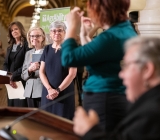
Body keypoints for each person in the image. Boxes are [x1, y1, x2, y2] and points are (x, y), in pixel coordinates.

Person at [61, 0, 137, 132]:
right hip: (114, 95)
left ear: (99, 11)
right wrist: (84, 35)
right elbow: (96, 56)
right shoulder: (125, 29)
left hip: (105, 99)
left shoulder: (110, 37)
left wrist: (71, 26)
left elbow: (68, 58)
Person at [73, 36, 160, 140]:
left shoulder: (152, 113)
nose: (121, 74)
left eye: (126, 66)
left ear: (147, 69)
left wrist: (89, 131)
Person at [39, 21, 77, 120]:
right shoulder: (46, 49)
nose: (57, 33)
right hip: (48, 92)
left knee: (63, 120)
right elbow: (41, 72)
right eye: (54, 31)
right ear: (50, 34)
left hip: (64, 92)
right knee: (47, 120)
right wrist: (49, 89)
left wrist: (58, 90)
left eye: (60, 30)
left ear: (65, 33)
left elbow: (72, 74)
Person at [3, 21, 30, 107]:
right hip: (10, 80)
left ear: (21, 30)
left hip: (22, 79)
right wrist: (7, 76)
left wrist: (13, 76)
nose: (14, 31)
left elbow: (27, 64)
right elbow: (5, 63)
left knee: (21, 105)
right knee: (11, 104)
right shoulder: (10, 47)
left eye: (16, 29)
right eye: (12, 30)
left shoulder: (27, 45)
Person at [21, 27, 46, 107]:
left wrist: (39, 68)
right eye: (32, 36)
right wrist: (29, 70)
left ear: (43, 38)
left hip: (42, 90)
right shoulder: (28, 53)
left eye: (38, 36)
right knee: (32, 118)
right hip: (29, 92)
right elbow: (23, 75)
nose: (34, 38)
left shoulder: (47, 51)